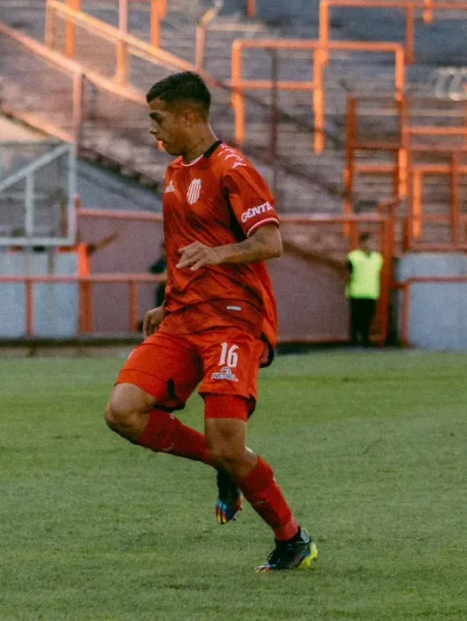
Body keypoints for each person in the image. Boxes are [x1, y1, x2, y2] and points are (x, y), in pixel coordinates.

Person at [103, 72, 316, 572]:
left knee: (229, 445)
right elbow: (184, 250)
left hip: (232, 321)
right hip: (182, 317)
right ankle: (221, 464)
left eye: (158, 119)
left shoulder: (233, 168)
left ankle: (292, 539)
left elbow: (270, 242)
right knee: (123, 412)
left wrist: (217, 254)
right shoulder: (175, 173)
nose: (152, 129)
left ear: (188, 116)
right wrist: (168, 300)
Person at [346, 233, 383, 347]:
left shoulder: (378, 258)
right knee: (356, 318)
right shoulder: (353, 257)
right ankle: (354, 341)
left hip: (371, 293)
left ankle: (365, 340)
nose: (371, 245)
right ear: (362, 243)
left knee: (368, 318)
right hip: (357, 292)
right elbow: (348, 273)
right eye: (368, 242)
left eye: (372, 242)